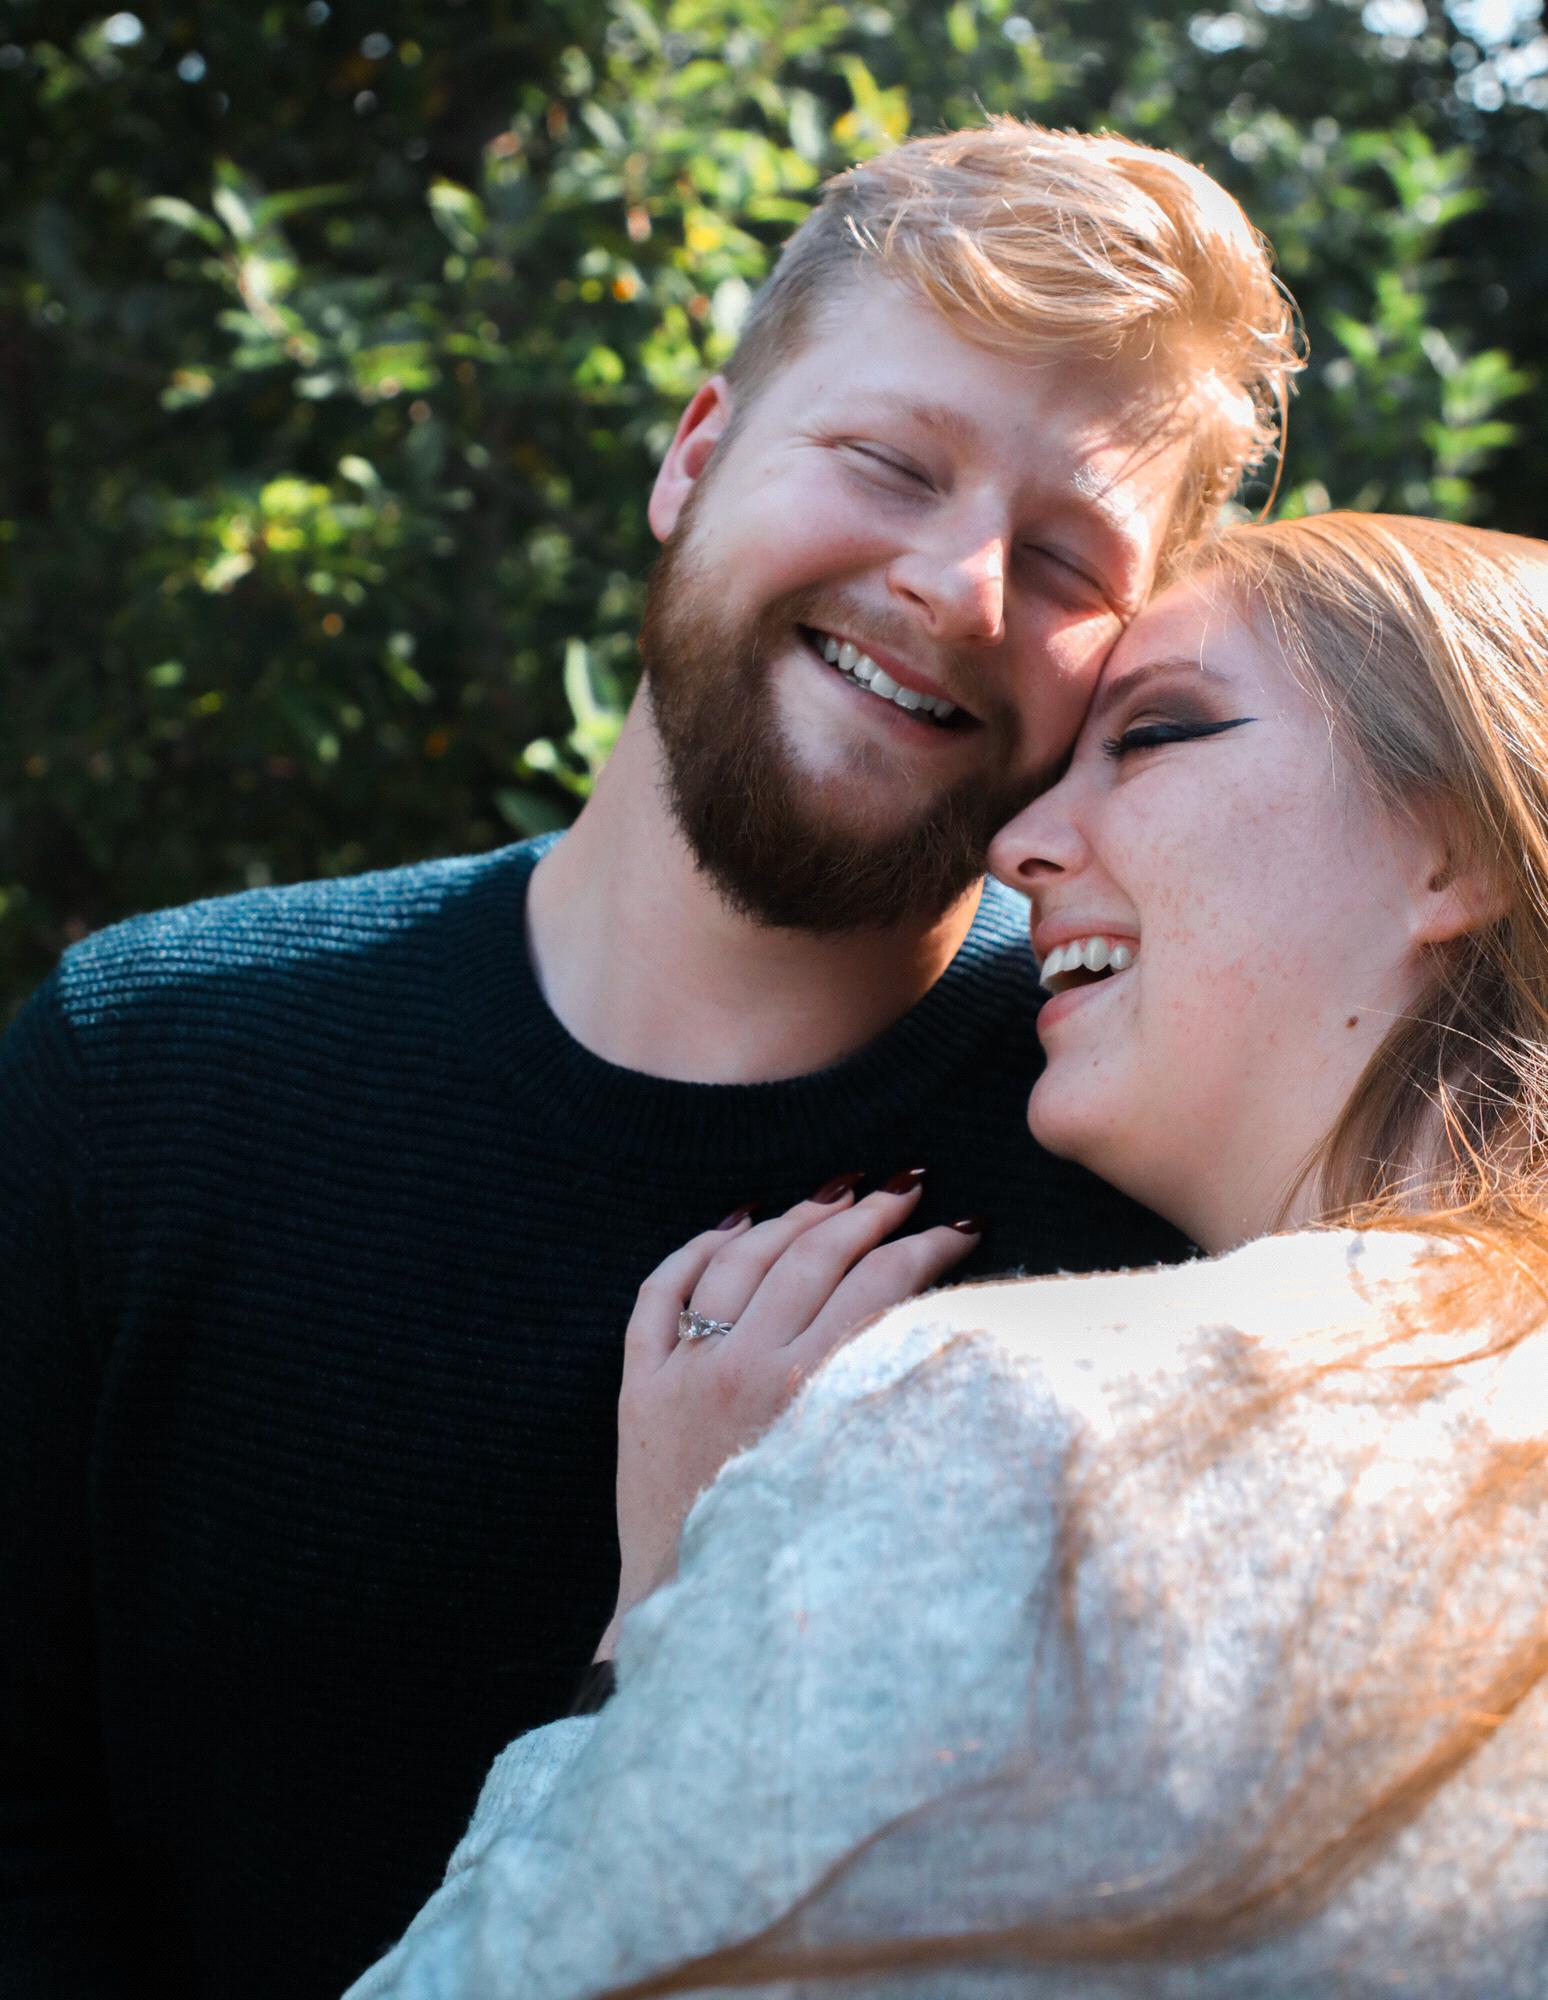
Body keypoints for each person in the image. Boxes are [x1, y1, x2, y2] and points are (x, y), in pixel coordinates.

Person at [0, 123, 1300, 1999]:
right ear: (696, 456)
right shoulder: (137, 1070)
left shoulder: (1185, 1189)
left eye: (1068, 555)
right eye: (886, 460)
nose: (954, 583)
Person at [346, 511, 1548, 1999]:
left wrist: (658, 1633)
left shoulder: (1021, 1426)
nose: (1018, 844)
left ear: (1453, 842)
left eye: (1155, 735)